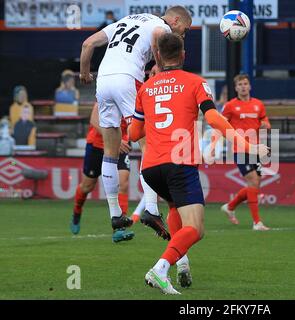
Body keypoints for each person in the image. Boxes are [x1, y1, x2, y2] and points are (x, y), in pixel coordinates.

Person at [129, 33, 269, 294]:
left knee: (174, 208)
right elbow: (214, 119)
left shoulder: (145, 89)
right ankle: (160, 269)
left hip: (150, 168)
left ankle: (181, 263)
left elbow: (134, 134)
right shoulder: (196, 82)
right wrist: (249, 146)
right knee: (196, 228)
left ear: (158, 56)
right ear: (183, 55)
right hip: (179, 162)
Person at [79, 6, 192, 238]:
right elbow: (156, 37)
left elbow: (88, 44)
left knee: (110, 149)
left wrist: (84, 73)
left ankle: (115, 214)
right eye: (185, 29)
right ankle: (151, 208)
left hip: (104, 81)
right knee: (149, 142)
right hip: (127, 79)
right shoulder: (161, 26)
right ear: (176, 19)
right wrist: (160, 68)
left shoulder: (124, 21)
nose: (182, 34)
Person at [70, 103, 134, 242]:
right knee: (87, 186)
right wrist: (115, 139)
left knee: (122, 183)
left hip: (120, 146)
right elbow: (94, 120)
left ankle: (119, 229)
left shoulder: (131, 96)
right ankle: (77, 211)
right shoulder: (107, 93)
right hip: (97, 146)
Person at [219, 74, 271, 231]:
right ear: (235, 88)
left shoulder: (258, 104)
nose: (243, 86)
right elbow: (221, 123)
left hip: (255, 148)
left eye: (245, 84)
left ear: (250, 86)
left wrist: (265, 125)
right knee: (253, 181)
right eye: (240, 84)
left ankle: (230, 206)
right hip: (240, 149)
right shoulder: (230, 106)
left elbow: (265, 120)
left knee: (254, 184)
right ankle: (257, 223)